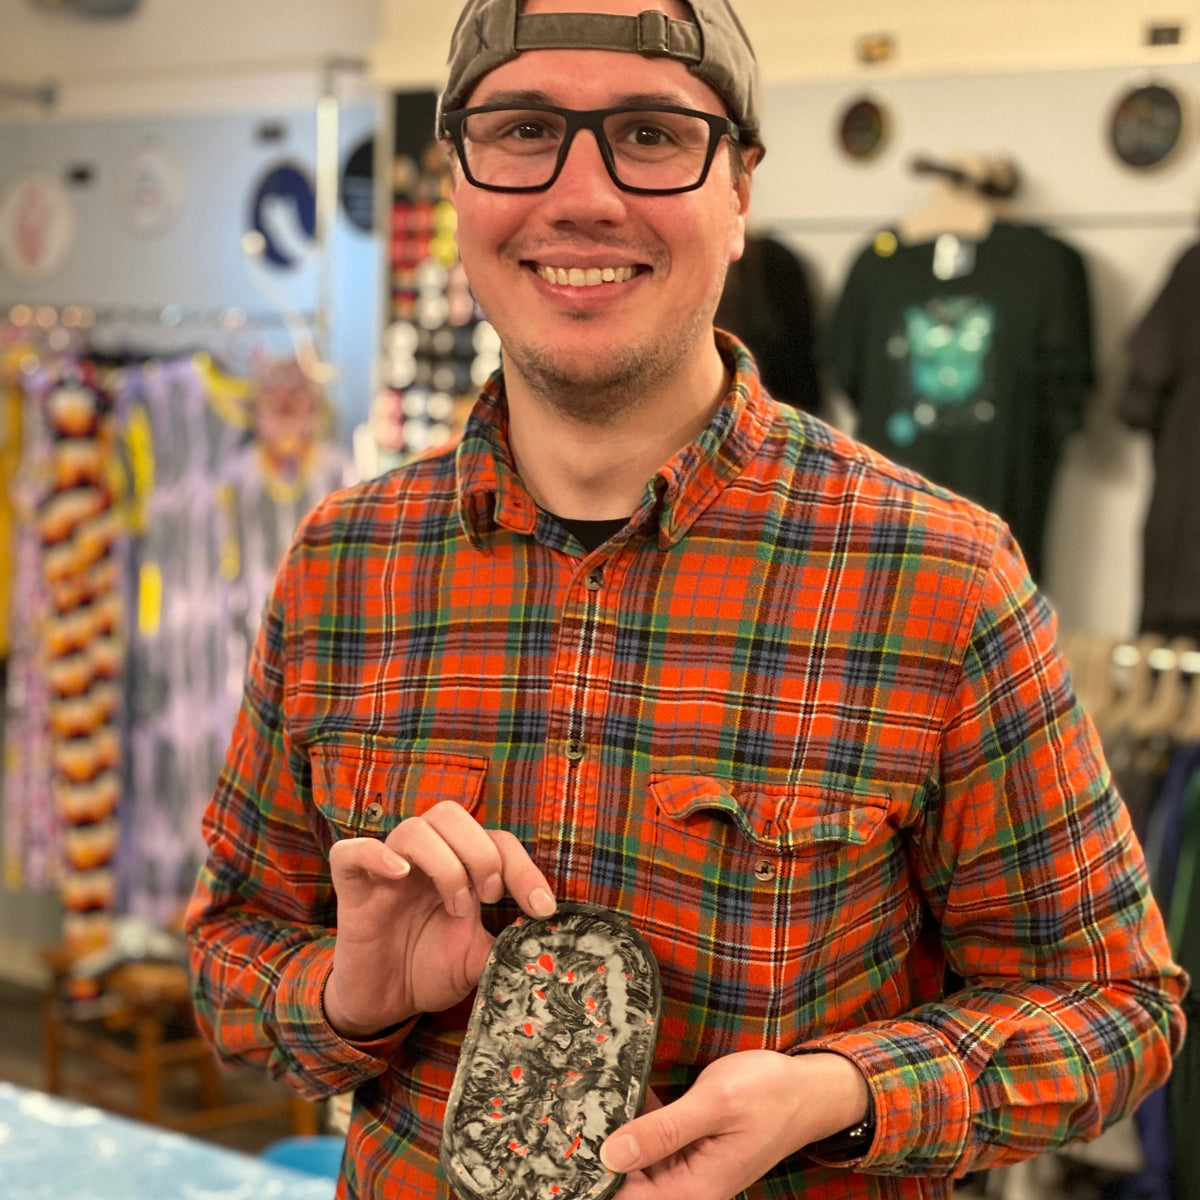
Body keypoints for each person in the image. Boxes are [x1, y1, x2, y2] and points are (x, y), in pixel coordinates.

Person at [184, 1, 1188, 1197]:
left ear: (741, 189)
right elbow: (229, 968)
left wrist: (842, 1094)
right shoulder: (345, 565)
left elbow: (1117, 1008)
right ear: (456, 177)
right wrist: (356, 991)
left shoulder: (938, 574)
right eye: (520, 130)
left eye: (652, 135)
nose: (584, 195)